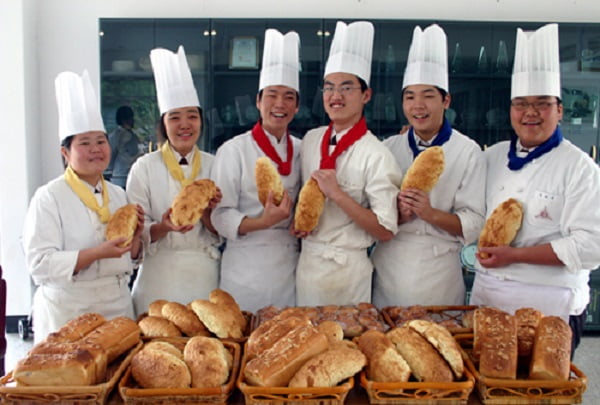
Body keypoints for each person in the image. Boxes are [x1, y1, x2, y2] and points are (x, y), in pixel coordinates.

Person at [469, 24, 600, 354]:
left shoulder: (579, 166)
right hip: (489, 297)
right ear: (510, 110)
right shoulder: (493, 156)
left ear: (559, 110)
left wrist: (514, 256)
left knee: (543, 392)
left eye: (541, 103)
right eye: (521, 103)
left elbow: (591, 247)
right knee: (489, 390)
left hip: (550, 306)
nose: (530, 112)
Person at [22, 70, 143, 343]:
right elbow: (39, 264)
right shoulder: (49, 197)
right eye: (84, 143)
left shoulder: (118, 194)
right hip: (68, 310)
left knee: (115, 380)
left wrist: (136, 237)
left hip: (117, 306)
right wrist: (96, 253)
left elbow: (131, 257)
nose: (95, 149)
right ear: (65, 153)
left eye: (100, 141)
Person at [372, 24, 486, 307]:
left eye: (428, 96)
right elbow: (372, 212)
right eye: (410, 97)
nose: (417, 105)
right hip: (389, 267)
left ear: (446, 100)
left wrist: (428, 212)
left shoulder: (467, 151)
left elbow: (474, 221)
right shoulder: (389, 148)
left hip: (439, 273)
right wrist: (397, 213)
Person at [292, 21, 402, 306]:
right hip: (308, 265)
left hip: (349, 272)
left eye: (346, 88)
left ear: (366, 95)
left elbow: (385, 230)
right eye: (329, 88)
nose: (335, 96)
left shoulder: (376, 153)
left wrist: (337, 194)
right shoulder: (311, 140)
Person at [210, 29, 301, 312]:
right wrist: (263, 221)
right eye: (272, 95)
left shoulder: (302, 148)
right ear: (259, 102)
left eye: (288, 97)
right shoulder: (233, 150)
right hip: (244, 268)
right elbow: (219, 215)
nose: (280, 104)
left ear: (297, 107)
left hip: (290, 266)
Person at [126, 46, 222, 315]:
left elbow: (225, 231)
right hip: (158, 275)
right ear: (163, 124)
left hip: (204, 274)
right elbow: (134, 232)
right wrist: (164, 227)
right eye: (175, 117)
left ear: (201, 121)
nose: (184, 124)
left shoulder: (215, 165)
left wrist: (208, 215)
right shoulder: (143, 168)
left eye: (192, 116)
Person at [106, 105, 141, 188]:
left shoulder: (133, 135)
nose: (133, 121)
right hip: (120, 178)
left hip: (133, 176)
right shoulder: (116, 136)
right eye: (130, 118)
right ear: (125, 120)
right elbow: (110, 157)